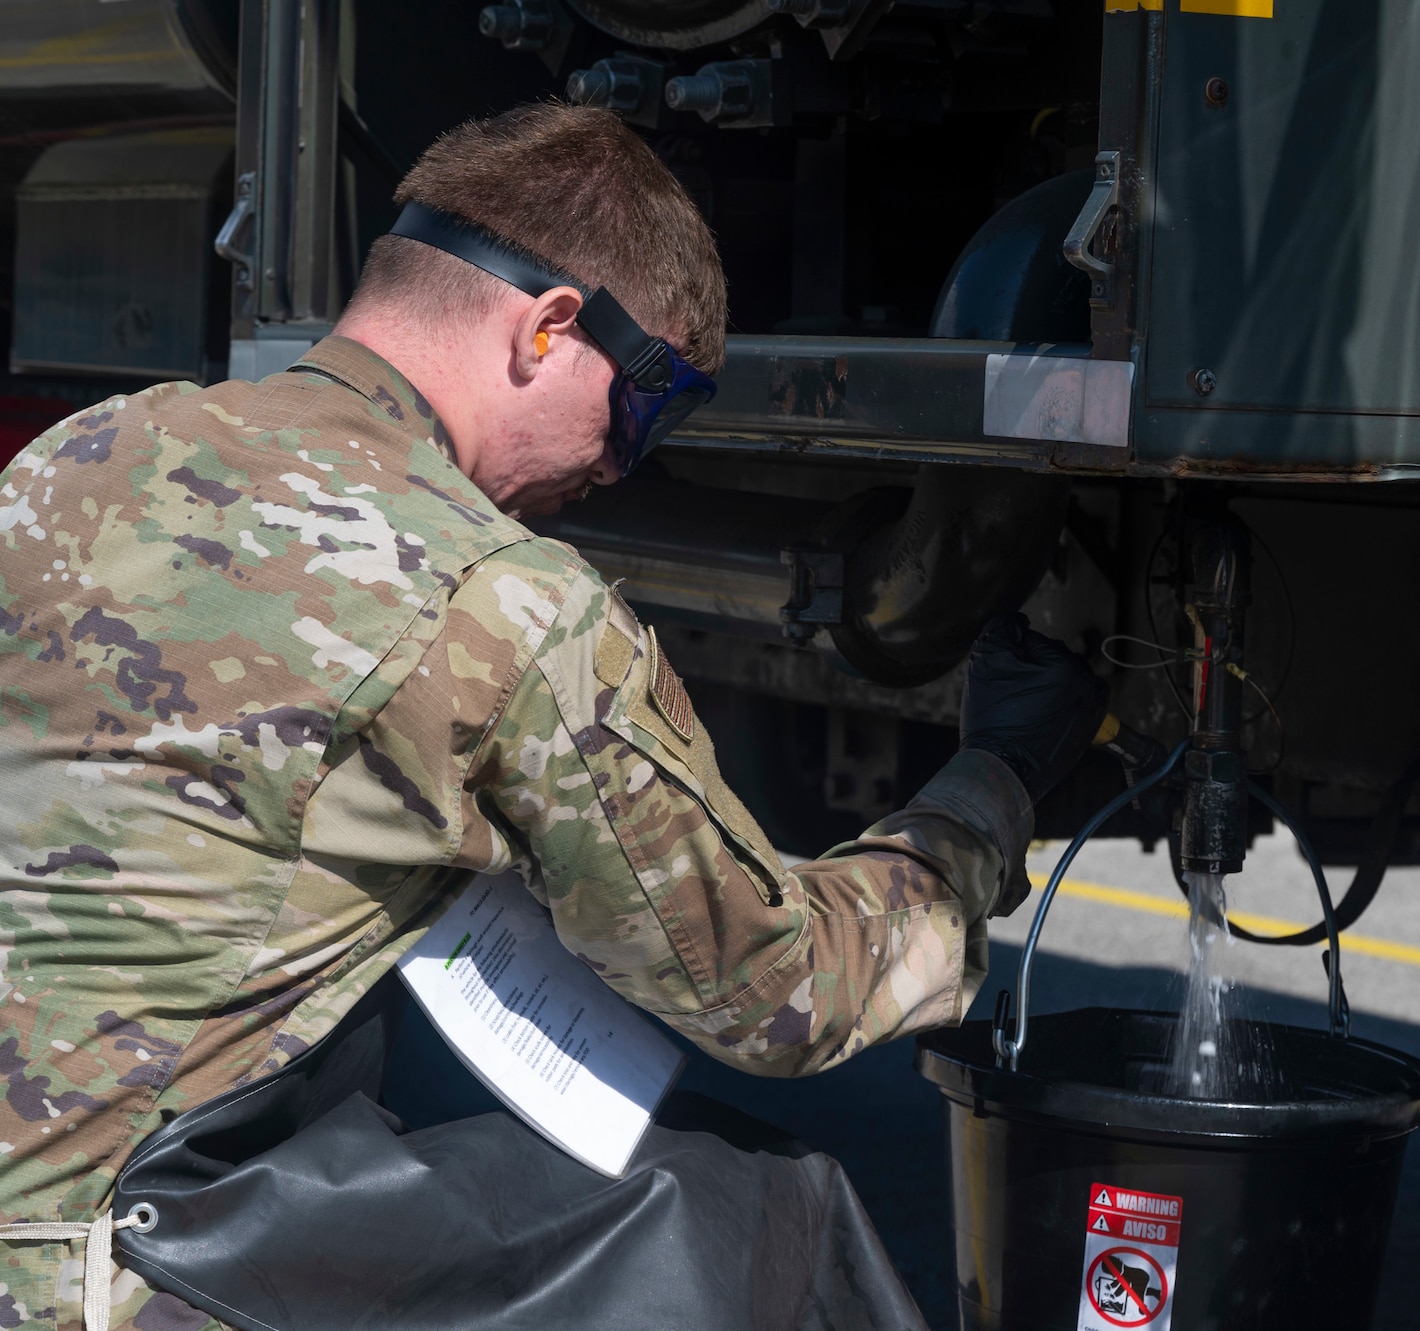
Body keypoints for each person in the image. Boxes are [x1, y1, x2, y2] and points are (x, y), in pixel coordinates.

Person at [0, 103, 1103, 1331]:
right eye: (648, 405)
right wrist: (993, 783)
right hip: (87, 1278)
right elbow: (779, 988)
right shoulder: (498, 596)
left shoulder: (82, 451)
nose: (622, 467)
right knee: (769, 1219)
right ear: (550, 326)